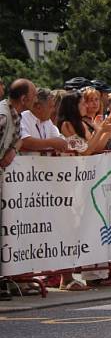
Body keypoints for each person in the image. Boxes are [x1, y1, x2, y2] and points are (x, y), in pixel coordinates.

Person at [0, 79, 36, 300]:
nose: (35, 98)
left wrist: (13, 149)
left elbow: (18, 139)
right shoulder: (3, 115)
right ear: (23, 98)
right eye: (32, 95)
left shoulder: (15, 114)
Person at [19, 88, 68, 155]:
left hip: (42, 164)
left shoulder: (48, 121)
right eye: (51, 106)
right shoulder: (23, 118)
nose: (53, 110)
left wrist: (63, 142)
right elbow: (23, 141)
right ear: (39, 107)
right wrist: (51, 142)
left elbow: (58, 139)